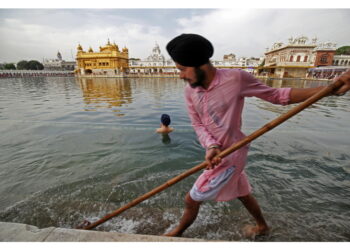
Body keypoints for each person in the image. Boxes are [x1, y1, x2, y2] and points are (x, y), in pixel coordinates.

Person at [164, 33, 350, 238]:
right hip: (217, 154)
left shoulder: (236, 78)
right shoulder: (190, 92)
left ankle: (176, 234)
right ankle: (262, 226)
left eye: (182, 69)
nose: (180, 75)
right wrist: (211, 145)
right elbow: (197, 124)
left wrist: (328, 90)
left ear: (200, 64)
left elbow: (277, 96)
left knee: (191, 200)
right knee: (243, 193)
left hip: (233, 153)